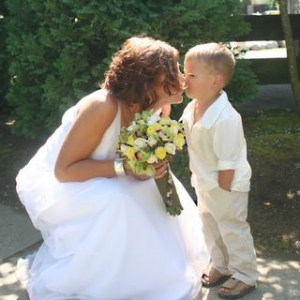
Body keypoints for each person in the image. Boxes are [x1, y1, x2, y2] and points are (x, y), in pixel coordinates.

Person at [16, 36, 209, 300]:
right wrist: (128, 169)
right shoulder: (102, 106)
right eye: (173, 70)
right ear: (147, 80)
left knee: (156, 194)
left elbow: (145, 159)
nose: (183, 77)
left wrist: (152, 170)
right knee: (119, 199)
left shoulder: (158, 106)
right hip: (63, 182)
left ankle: (148, 275)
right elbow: (64, 171)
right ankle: (104, 280)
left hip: (110, 169)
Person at [180, 43, 259, 299]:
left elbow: (229, 161)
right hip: (203, 181)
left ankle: (245, 274)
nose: (184, 79)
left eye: (192, 75)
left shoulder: (225, 118)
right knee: (209, 225)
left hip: (227, 185)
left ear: (216, 80)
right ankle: (221, 264)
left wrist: (224, 190)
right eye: (185, 72)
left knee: (231, 227)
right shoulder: (192, 107)